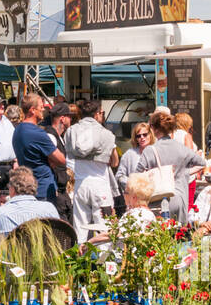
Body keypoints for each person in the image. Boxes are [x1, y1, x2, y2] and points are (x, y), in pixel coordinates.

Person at [136, 108, 204, 224]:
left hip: (158, 199)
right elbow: (202, 163)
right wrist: (184, 172)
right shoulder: (181, 148)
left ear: (154, 129)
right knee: (179, 236)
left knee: (161, 237)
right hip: (180, 198)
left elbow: (137, 175)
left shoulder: (150, 151)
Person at [64, 100, 119, 241]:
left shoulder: (71, 131)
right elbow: (115, 162)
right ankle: (105, 260)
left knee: (80, 227)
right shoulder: (106, 133)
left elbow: (68, 155)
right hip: (100, 185)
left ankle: (80, 259)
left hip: (80, 184)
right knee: (104, 227)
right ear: (97, 114)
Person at [12, 94, 65, 204]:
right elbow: (61, 160)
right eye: (41, 107)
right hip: (43, 188)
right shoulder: (38, 133)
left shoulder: (18, 130)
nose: (43, 109)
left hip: (28, 186)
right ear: (32, 110)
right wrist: (52, 160)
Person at [0, 166, 59, 241]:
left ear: (12, 189)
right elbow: (59, 238)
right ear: (34, 187)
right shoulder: (49, 209)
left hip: (11, 252)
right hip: (46, 252)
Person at [44, 102, 72, 221]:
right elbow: (50, 163)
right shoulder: (51, 136)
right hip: (55, 191)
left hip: (61, 190)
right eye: (69, 117)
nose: (71, 119)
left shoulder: (59, 136)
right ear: (62, 118)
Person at [115, 122, 153, 193]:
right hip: (136, 196)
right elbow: (120, 176)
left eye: (145, 134)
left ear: (150, 135)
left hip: (156, 194)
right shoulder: (129, 154)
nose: (142, 137)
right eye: (138, 136)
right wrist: (132, 184)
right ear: (135, 139)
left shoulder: (156, 151)